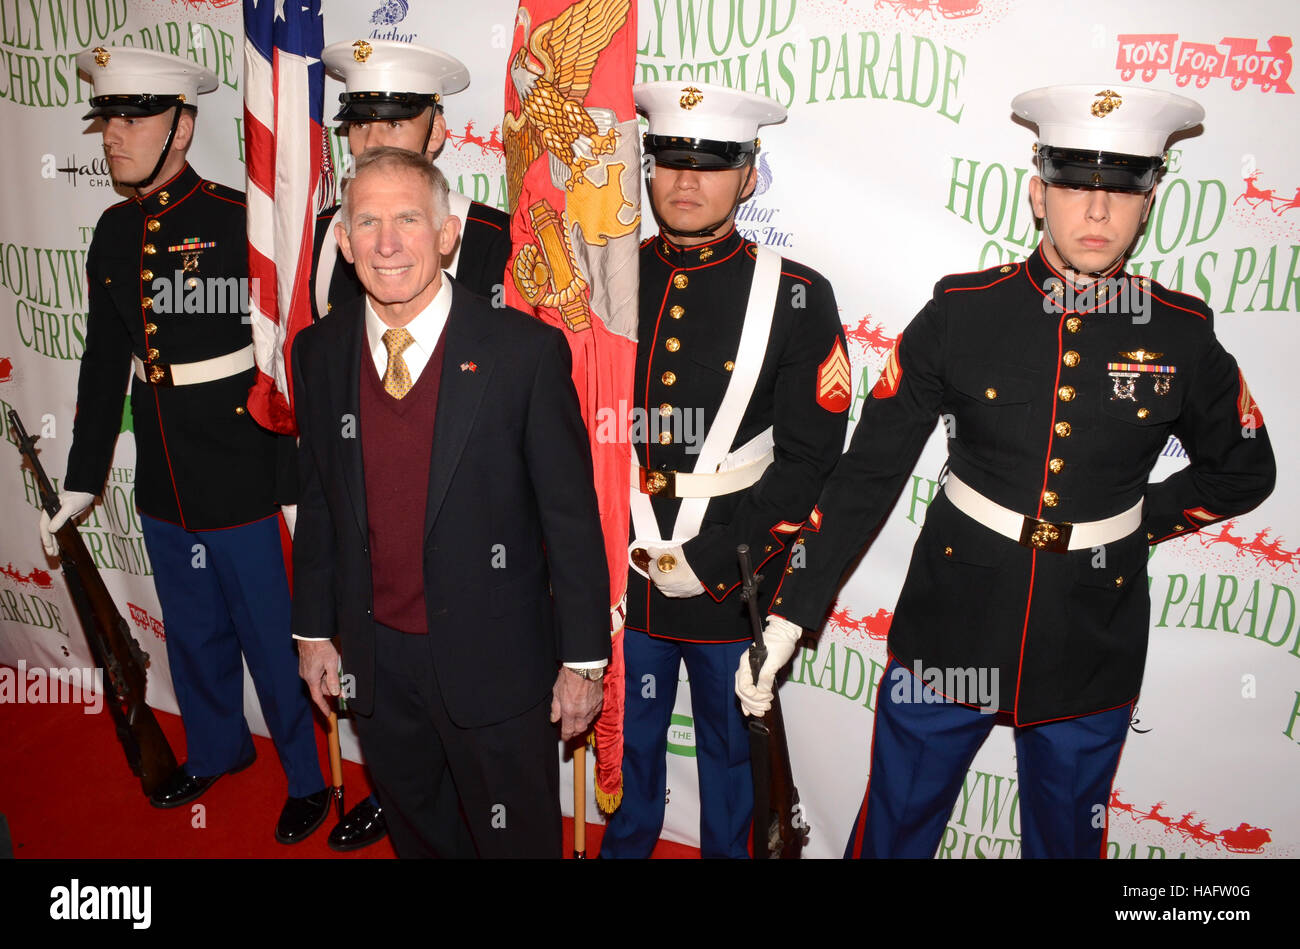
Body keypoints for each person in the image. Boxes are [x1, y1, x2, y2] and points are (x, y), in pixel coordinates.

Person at [737, 85, 1277, 858]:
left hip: (1090, 635)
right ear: (1037, 194)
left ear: (1149, 203)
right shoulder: (963, 313)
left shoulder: (1181, 335)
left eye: (1121, 191)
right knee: (894, 829)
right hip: (952, 620)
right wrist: (793, 611)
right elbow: (869, 472)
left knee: (1065, 842)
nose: (1097, 213)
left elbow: (1243, 470)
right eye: (1075, 187)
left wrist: (1129, 524)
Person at [40, 47, 329, 843]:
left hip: (242, 465)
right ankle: (217, 746)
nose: (113, 136)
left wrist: (292, 474)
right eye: (108, 119)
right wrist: (80, 480)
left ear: (183, 126)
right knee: (193, 626)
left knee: (274, 637)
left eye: (133, 117)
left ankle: (307, 776)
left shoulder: (242, 222)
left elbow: (288, 357)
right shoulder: (111, 231)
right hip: (163, 467)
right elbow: (104, 364)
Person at [292, 147, 609, 858]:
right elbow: (319, 501)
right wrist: (313, 630)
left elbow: (571, 518)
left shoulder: (523, 353)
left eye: (408, 218)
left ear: (446, 234)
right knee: (421, 836)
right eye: (366, 222)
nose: (386, 242)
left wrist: (584, 661)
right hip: (375, 664)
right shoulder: (317, 352)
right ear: (341, 242)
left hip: (498, 667)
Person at [598, 82, 851, 859]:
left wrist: (711, 562)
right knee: (626, 744)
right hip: (621, 572)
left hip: (732, 577)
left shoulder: (801, 297)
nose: (684, 181)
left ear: (748, 173)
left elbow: (810, 462)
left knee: (731, 760)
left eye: (710, 164)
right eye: (670, 160)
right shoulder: (606, 281)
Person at [311, 38, 513, 850]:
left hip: (479, 601)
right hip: (375, 601)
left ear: (437, 132)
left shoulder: (501, 242)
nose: (378, 138)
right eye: (362, 121)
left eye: (400, 119)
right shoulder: (331, 239)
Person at [314, 38, 511, 319]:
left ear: (435, 133)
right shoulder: (322, 230)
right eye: (359, 124)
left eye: (393, 124)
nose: (371, 143)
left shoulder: (494, 239)